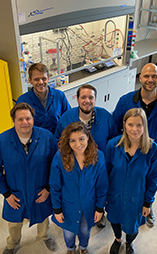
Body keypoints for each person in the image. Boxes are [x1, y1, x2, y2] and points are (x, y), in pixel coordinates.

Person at [112, 63, 157, 227]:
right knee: (124, 181)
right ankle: (117, 207)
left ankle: (147, 206)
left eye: (154, 76)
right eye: (147, 76)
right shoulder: (125, 101)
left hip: (152, 156)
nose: (150, 80)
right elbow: (115, 127)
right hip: (127, 153)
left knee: (149, 182)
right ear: (140, 77)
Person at [0, 103, 58, 254]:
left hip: (40, 190)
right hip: (15, 193)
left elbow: (56, 166)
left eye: (28, 118)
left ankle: (45, 235)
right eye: (20, 119)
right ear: (13, 121)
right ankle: (12, 244)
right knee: (14, 223)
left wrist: (48, 189)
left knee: (43, 218)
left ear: (33, 119)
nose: (25, 123)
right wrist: (6, 194)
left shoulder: (47, 138)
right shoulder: (0, 142)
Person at [54, 84, 117, 229]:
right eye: (83, 97)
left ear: (95, 100)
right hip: (75, 166)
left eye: (91, 97)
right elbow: (58, 140)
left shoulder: (105, 116)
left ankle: (99, 215)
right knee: (78, 193)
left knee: (99, 191)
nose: (87, 101)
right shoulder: (67, 118)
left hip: (99, 167)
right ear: (77, 99)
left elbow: (114, 141)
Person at [105, 108, 157, 254]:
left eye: (139, 125)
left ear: (145, 126)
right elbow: (105, 173)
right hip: (114, 196)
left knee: (132, 226)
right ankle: (118, 240)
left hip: (136, 199)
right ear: (124, 125)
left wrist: (148, 203)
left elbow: (153, 179)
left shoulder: (153, 150)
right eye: (130, 125)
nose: (134, 129)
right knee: (115, 220)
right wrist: (103, 196)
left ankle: (129, 242)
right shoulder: (113, 145)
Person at [50, 122, 108, 254]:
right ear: (67, 142)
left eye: (81, 139)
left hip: (89, 206)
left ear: (88, 137)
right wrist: (57, 210)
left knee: (84, 230)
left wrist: (99, 208)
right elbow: (54, 186)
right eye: (72, 141)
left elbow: (102, 185)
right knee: (69, 233)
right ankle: (70, 249)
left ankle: (83, 248)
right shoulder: (60, 157)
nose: (78, 144)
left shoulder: (99, 157)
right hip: (67, 206)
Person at [16, 63, 71, 134]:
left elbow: (69, 118)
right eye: (36, 79)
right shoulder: (23, 101)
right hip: (36, 142)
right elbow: (19, 127)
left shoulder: (59, 96)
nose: (41, 82)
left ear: (48, 78)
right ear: (30, 81)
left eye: (43, 78)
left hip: (58, 140)